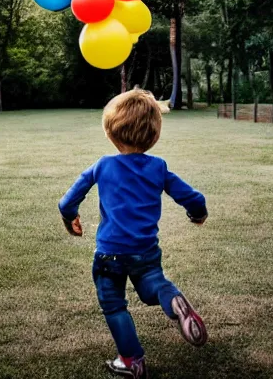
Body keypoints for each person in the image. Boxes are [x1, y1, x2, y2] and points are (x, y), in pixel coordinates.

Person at [58, 89, 208, 379]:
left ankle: (131, 360)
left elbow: (66, 203)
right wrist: (197, 215)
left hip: (109, 254)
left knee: (114, 306)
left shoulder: (103, 166)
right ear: (154, 135)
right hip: (145, 251)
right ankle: (171, 297)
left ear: (110, 132)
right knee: (153, 284)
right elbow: (194, 198)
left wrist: (70, 219)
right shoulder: (158, 167)